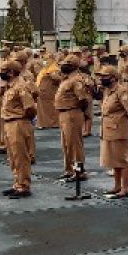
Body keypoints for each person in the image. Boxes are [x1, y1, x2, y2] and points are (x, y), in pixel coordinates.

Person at [98, 64, 128, 199]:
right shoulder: (107, 91)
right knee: (114, 161)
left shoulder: (121, 91)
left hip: (118, 130)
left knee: (122, 160)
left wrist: (120, 120)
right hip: (108, 129)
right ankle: (117, 186)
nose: (102, 79)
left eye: (105, 76)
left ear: (113, 77)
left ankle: (125, 188)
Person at [0, 60, 36, 199]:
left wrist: (23, 120)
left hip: (18, 123)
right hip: (9, 123)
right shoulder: (10, 86)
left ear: (11, 72)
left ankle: (24, 185)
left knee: (21, 157)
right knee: (13, 156)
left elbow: (30, 108)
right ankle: (17, 183)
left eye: (3, 70)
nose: (0, 73)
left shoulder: (21, 86)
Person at [54, 54, 90, 182]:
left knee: (74, 145)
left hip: (72, 113)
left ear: (74, 66)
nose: (63, 66)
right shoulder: (67, 79)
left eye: (66, 64)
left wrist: (77, 110)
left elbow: (83, 99)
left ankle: (79, 172)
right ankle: (69, 170)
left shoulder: (76, 80)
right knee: (66, 144)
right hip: (64, 113)